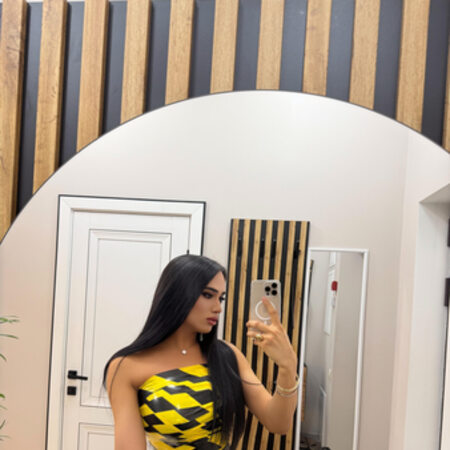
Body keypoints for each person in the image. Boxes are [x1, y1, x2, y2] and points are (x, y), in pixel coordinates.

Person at [104, 254, 298, 450]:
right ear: (177, 294)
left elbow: (278, 423)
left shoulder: (228, 355)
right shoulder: (126, 366)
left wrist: (287, 366)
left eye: (220, 298)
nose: (218, 308)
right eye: (207, 295)